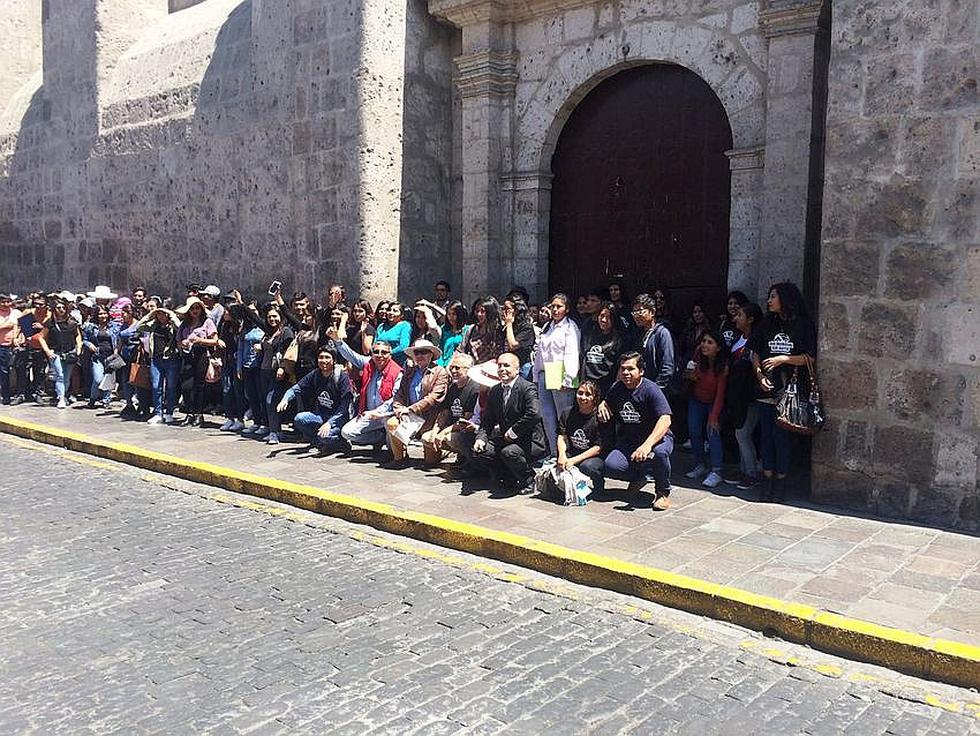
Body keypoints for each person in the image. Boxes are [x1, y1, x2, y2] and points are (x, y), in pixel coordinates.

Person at [749, 282, 816, 502]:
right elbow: (755, 352)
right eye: (769, 296)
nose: (769, 301)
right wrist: (759, 375)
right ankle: (766, 480)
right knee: (766, 436)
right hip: (766, 390)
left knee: (782, 438)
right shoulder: (767, 323)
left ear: (785, 299)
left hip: (789, 393)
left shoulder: (803, 325)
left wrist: (783, 359)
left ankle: (781, 482)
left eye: (773, 296)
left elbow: (810, 357)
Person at [601, 352, 674, 510]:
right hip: (630, 439)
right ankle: (638, 477)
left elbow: (665, 419)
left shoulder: (650, 389)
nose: (626, 373)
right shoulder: (617, 388)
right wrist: (602, 404)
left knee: (660, 454)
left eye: (630, 369)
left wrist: (647, 445)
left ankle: (663, 492)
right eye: (623, 369)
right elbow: (608, 401)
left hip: (657, 440)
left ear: (641, 371)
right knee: (611, 465)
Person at [471, 352, 547, 494]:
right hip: (507, 439)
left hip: (529, 440)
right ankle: (508, 478)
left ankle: (529, 479)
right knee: (481, 452)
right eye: (500, 366)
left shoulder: (527, 388)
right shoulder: (495, 391)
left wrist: (513, 432)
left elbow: (534, 413)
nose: (502, 369)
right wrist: (480, 439)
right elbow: (487, 421)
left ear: (517, 369)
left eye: (507, 365)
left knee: (509, 453)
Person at [382, 339, 449, 468]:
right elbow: (399, 394)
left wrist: (411, 409)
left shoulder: (440, 372)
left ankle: (445, 451)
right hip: (410, 417)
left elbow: (434, 398)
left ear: (431, 354)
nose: (419, 356)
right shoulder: (410, 371)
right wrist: (399, 410)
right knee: (391, 423)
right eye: (417, 353)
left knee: (431, 462)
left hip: (430, 419)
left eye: (424, 352)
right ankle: (400, 459)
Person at [276, 347, 353, 453]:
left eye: (327, 357)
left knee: (325, 436)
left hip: (338, 419)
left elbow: (344, 407)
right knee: (300, 419)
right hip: (320, 416)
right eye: (321, 357)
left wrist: (330, 423)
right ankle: (318, 442)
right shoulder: (315, 374)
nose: (323, 361)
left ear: (334, 361)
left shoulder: (342, 377)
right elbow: (296, 388)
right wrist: (285, 399)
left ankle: (340, 442)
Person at [532, 293, 580, 455]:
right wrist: (535, 374)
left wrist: (568, 378)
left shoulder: (570, 327)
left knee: (563, 417)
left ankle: (566, 454)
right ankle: (554, 453)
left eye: (559, 306)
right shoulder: (547, 327)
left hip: (561, 372)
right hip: (545, 373)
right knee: (547, 416)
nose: (555, 309)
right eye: (553, 306)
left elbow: (572, 353)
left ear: (566, 309)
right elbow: (540, 353)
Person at [724, 302, 765, 490]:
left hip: (750, 395)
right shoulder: (739, 338)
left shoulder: (757, 340)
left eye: (740, 315)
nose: (735, 318)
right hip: (736, 394)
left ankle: (752, 473)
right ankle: (743, 469)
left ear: (750, 319)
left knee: (743, 433)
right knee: (740, 431)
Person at [337, 339, 403, 450]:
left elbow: (394, 399)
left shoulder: (398, 372)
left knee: (392, 449)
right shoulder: (368, 363)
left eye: (384, 352)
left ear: (390, 355)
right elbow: (351, 356)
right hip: (369, 414)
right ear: (372, 354)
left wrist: (378, 412)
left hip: (388, 415)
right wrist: (337, 340)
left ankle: (393, 448)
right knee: (347, 433)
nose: (379, 355)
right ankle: (379, 437)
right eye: (376, 352)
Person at [683, 330, 729, 489]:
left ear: (718, 347)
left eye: (710, 342)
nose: (705, 345)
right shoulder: (698, 354)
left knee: (713, 432)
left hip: (713, 402)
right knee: (694, 430)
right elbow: (690, 376)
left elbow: (721, 393)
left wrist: (714, 416)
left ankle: (716, 471)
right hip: (696, 399)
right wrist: (691, 374)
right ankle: (700, 464)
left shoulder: (723, 365)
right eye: (704, 341)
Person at [421, 352, 480, 468]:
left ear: (468, 369)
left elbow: (466, 420)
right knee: (427, 438)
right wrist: (434, 431)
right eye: (451, 367)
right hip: (450, 427)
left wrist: (443, 432)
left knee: (450, 438)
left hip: (465, 430)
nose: (453, 371)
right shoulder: (452, 387)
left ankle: (468, 460)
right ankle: (444, 454)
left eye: (457, 368)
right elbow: (444, 412)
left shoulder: (474, 389)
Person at [555, 380, 610, 498]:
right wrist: (562, 455)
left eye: (588, 394)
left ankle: (599, 485)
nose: (583, 397)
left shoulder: (600, 417)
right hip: (573, 452)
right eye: (580, 393)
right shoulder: (567, 413)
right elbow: (562, 435)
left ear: (595, 398)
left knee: (587, 467)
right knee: (557, 464)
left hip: (594, 456)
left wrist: (574, 461)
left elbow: (598, 447)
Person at [134, 305, 181, 424]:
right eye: (159, 314)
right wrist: (150, 315)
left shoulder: (173, 326)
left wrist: (172, 315)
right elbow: (138, 327)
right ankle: (158, 412)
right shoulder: (153, 326)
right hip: (156, 359)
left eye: (163, 314)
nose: (161, 316)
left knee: (170, 387)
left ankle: (169, 412)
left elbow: (180, 329)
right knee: (156, 386)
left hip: (171, 359)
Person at [176, 296, 219, 427]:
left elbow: (215, 340)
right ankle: (189, 412)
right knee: (186, 386)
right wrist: (183, 344)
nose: (195, 311)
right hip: (188, 356)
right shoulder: (185, 324)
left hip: (201, 354)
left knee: (199, 386)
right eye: (192, 309)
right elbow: (178, 341)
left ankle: (198, 414)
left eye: (197, 308)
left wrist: (200, 341)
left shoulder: (207, 322)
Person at [256, 305, 295, 444]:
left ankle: (273, 433)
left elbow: (289, 351)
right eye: (269, 317)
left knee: (270, 400)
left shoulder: (286, 332)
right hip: (264, 371)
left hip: (277, 372)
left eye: (274, 316)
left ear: (280, 317)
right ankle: (275, 429)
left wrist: (283, 367)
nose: (272, 319)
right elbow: (255, 319)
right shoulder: (268, 332)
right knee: (266, 400)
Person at [37, 298, 83, 409]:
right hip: (56, 353)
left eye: (63, 307)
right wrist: (47, 351)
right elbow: (41, 337)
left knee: (66, 377)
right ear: (54, 309)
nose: (61, 310)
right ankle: (61, 398)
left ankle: (63, 394)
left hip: (70, 352)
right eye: (58, 308)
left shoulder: (72, 322)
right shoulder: (50, 323)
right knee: (60, 376)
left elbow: (77, 335)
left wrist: (79, 348)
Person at [630, 293, 675, 390]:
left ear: (652, 312)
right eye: (634, 312)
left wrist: (656, 389)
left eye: (640, 311)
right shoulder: (639, 334)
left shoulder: (662, 333)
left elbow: (667, 366)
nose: (636, 316)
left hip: (656, 390)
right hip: (640, 388)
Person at [580, 301, 625, 396]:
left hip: (606, 386)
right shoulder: (589, 333)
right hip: (587, 385)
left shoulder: (619, 340)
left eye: (608, 317)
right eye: (602, 316)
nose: (604, 320)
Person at [82, 305, 121, 409]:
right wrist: (89, 345)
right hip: (97, 356)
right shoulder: (91, 326)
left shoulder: (114, 326)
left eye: (104, 313)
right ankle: (93, 398)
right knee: (98, 379)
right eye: (100, 313)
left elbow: (118, 340)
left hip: (110, 356)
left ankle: (106, 400)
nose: (103, 316)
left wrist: (116, 352)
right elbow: (84, 339)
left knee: (108, 378)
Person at [461, 296, 504, 364]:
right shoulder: (471, 330)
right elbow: (462, 350)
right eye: (477, 311)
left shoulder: (498, 332)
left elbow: (499, 355)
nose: (479, 314)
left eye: (482, 311)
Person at [501, 296, 536, 378]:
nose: (504, 312)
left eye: (507, 309)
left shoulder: (526, 327)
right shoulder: (505, 326)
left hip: (522, 366)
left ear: (516, 311)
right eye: (503, 308)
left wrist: (509, 323)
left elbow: (512, 345)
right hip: (507, 365)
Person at [0, 293, 22, 405]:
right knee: (3, 372)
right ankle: (5, 395)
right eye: (3, 302)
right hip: (1, 346)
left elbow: (22, 325)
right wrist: (6, 325)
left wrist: (15, 334)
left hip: (14, 347)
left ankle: (19, 394)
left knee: (18, 371)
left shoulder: (16, 313)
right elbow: (11, 325)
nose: (6, 304)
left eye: (8, 302)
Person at [435, 301, 469, 368]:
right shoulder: (444, 329)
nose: (450, 317)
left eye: (453, 314)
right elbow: (441, 347)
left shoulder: (467, 330)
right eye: (449, 314)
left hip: (457, 366)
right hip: (442, 365)